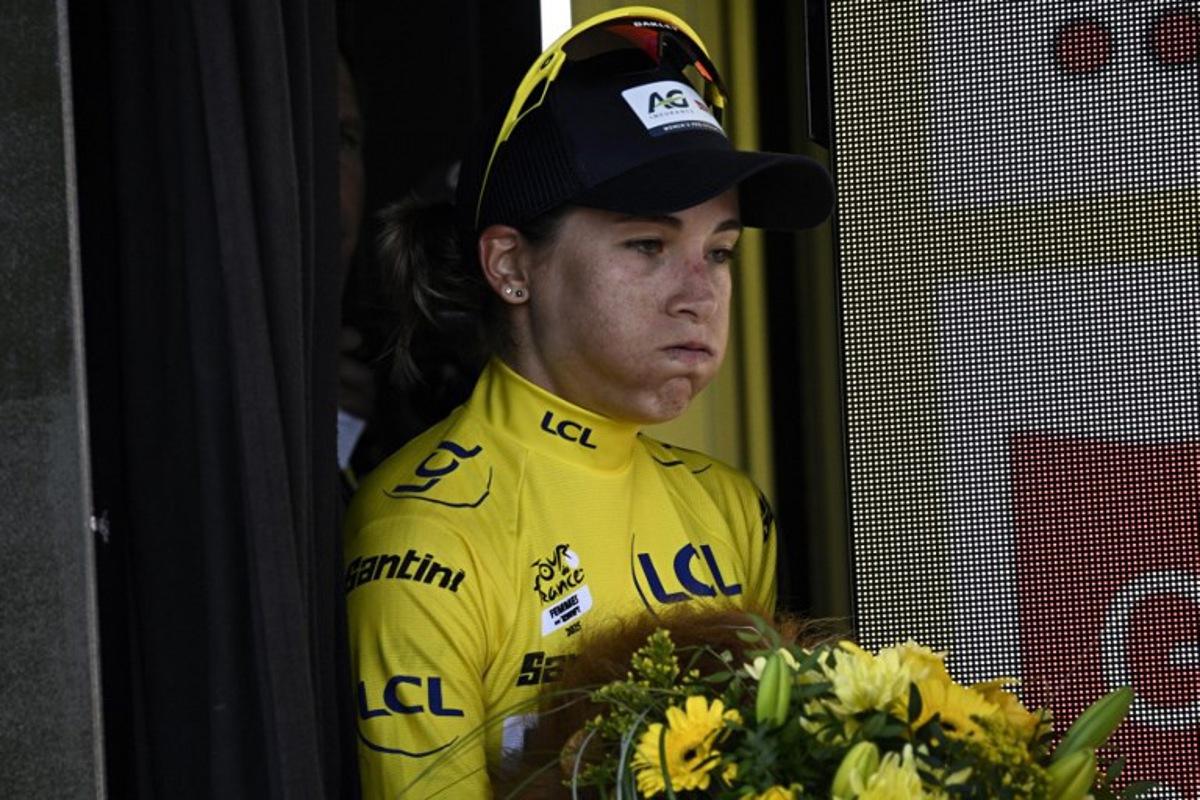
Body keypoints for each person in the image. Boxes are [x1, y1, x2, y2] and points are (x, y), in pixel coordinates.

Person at [344, 8, 834, 797]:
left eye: (719, 252)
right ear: (511, 267)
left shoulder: (729, 508)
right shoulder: (425, 534)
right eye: (648, 245)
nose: (700, 293)